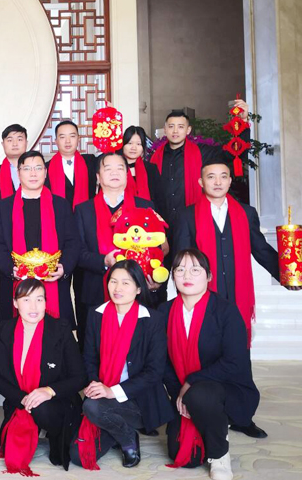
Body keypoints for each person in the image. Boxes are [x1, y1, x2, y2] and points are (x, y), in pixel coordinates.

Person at [175, 158, 300, 353]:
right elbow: (182, 256)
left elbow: (261, 250)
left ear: (229, 181)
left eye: (223, 177)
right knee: (205, 346)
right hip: (204, 292)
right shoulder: (187, 215)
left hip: (238, 291)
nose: (218, 182)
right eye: (211, 177)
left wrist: (287, 276)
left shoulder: (246, 213)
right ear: (201, 182)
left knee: (238, 346)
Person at [159, 249, 261, 480]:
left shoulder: (226, 311)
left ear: (209, 276)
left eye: (195, 270)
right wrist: (180, 393)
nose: (187, 275)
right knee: (184, 457)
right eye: (180, 270)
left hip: (226, 389)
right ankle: (209, 421)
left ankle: (219, 454)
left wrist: (191, 382)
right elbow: (161, 362)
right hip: (183, 391)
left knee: (200, 395)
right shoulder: (164, 312)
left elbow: (234, 362)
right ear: (172, 276)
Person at [70, 260, 173, 470]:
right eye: (113, 281)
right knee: (78, 456)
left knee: (92, 407)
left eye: (126, 283)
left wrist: (112, 391)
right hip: (103, 397)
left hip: (140, 400)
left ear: (138, 288)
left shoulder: (153, 319)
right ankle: (120, 430)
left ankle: (127, 439)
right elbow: (89, 358)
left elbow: (154, 371)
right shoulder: (95, 314)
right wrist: (95, 385)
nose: (118, 288)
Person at [0, 278, 86, 473]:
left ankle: (55, 434)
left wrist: (49, 391)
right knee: (11, 448)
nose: (33, 307)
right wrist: (22, 398)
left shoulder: (61, 329)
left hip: (56, 402)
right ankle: (35, 423)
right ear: (15, 303)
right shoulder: (6, 329)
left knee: (42, 408)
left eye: (39, 299)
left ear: (45, 302)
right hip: (20, 401)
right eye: (26, 300)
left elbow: (80, 377)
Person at [0, 150, 81, 332]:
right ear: (18, 173)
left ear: (45, 173)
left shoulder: (60, 205)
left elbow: (73, 241)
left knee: (56, 335)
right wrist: (11, 269)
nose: (33, 173)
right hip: (14, 279)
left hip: (53, 280)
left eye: (38, 168)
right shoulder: (2, 207)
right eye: (27, 169)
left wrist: (64, 267)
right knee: (14, 334)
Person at [74, 153, 159, 348]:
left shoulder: (145, 207)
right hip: (95, 290)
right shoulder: (83, 210)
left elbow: (157, 248)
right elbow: (78, 252)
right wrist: (104, 261)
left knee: (137, 347)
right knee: (95, 348)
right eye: (108, 168)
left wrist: (154, 277)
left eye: (120, 168)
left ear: (127, 175)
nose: (114, 173)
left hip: (138, 289)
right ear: (98, 177)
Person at [150, 100, 249, 233]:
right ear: (165, 129)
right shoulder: (155, 157)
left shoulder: (200, 152)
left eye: (180, 126)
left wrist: (243, 121)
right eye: (171, 126)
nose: (175, 131)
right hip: (162, 224)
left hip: (193, 223)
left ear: (188, 130)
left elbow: (231, 153)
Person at [46, 120, 97, 210]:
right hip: (57, 216)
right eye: (62, 137)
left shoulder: (90, 162)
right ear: (56, 141)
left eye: (72, 136)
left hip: (86, 215)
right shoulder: (46, 168)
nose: (68, 141)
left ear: (78, 139)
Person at [0, 124, 28, 206]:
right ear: (3, 144)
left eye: (19, 139)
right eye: (9, 140)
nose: (15, 144)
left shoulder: (39, 170)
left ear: (26, 143)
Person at [120, 125, 160, 201]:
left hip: (148, 208)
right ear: (123, 145)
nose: (133, 148)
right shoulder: (115, 168)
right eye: (130, 143)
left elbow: (159, 198)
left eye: (138, 144)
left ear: (143, 147)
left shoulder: (151, 169)